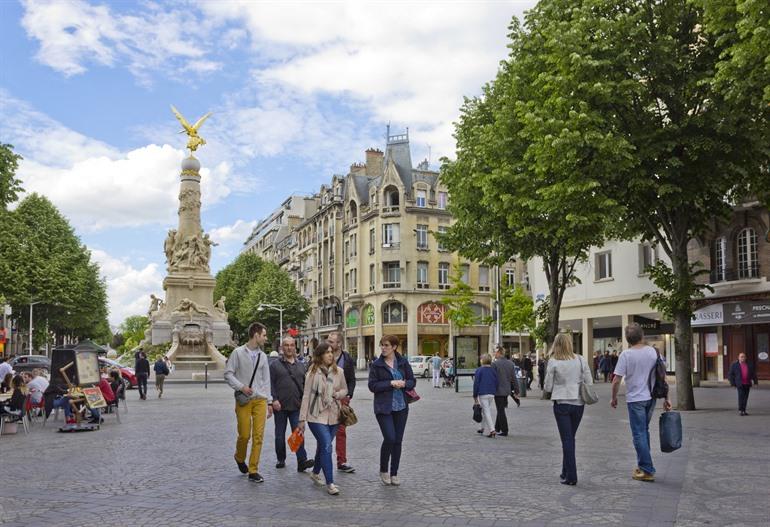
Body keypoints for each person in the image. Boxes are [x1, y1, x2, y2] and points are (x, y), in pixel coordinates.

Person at [611, 323, 671, 482]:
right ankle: (643, 465)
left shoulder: (626, 355)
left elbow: (616, 380)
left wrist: (614, 397)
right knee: (644, 431)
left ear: (627, 339)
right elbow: (662, 376)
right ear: (642, 335)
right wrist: (667, 398)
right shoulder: (653, 352)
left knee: (639, 434)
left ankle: (647, 469)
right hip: (651, 398)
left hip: (635, 399)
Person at [224, 322, 273, 483]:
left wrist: (269, 402)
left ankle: (253, 470)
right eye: (264, 335)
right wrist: (241, 387)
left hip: (260, 400)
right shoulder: (237, 353)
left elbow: (266, 381)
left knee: (258, 436)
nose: (265, 338)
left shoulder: (263, 356)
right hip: (244, 399)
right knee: (244, 435)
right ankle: (239, 457)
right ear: (256, 335)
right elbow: (228, 374)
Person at [298, 342, 348, 496]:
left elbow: (345, 389)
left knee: (323, 446)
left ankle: (315, 472)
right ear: (320, 356)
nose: (330, 355)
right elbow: (306, 395)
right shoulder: (312, 373)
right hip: (315, 415)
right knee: (327, 445)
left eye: (331, 352)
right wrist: (302, 420)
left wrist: (338, 394)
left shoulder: (338, 371)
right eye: (327, 352)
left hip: (333, 415)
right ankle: (330, 482)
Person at [543, 334, 593, 486]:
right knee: (570, 438)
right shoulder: (580, 359)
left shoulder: (554, 362)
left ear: (556, 345)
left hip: (562, 402)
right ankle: (565, 471)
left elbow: (548, 386)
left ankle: (571, 476)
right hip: (578, 402)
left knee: (567, 439)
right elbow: (589, 381)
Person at [368, 335, 416, 485]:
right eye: (381, 345)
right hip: (384, 407)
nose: (383, 348)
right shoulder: (377, 365)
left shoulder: (402, 362)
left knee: (398, 441)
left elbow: (412, 381)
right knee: (390, 438)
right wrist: (390, 383)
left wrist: (404, 384)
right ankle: (383, 470)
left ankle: (394, 473)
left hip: (401, 406)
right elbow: (372, 386)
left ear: (394, 347)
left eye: (386, 345)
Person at [270, 336, 314, 472]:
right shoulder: (275, 365)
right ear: (282, 348)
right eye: (286, 345)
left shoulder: (301, 365)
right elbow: (270, 385)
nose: (289, 348)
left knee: (298, 433)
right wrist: (274, 400)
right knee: (279, 435)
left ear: (295, 347)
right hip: (280, 406)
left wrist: (305, 402)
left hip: (296, 406)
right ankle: (281, 458)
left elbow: (305, 386)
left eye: (291, 345)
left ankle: (302, 461)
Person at [326, 331, 356, 474]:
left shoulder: (347, 358)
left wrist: (348, 395)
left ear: (339, 344)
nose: (328, 343)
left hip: (341, 399)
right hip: (324, 399)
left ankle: (342, 461)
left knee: (341, 431)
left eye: (331, 341)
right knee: (323, 430)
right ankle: (321, 459)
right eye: (328, 340)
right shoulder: (322, 356)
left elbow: (351, 379)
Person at [492, 347, 517, 437]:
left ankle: (504, 430)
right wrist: (517, 390)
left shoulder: (494, 364)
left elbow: (493, 378)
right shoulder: (510, 363)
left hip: (498, 390)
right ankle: (497, 427)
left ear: (499, 353)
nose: (494, 353)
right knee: (501, 408)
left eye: (495, 352)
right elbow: (514, 378)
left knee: (500, 410)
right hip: (506, 390)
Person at [473, 353, 498, 438]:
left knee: (486, 411)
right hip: (491, 393)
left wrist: (475, 396)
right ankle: (482, 428)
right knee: (485, 410)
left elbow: (476, 384)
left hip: (483, 393)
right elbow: (496, 382)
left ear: (482, 360)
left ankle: (492, 430)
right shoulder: (493, 370)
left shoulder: (479, 370)